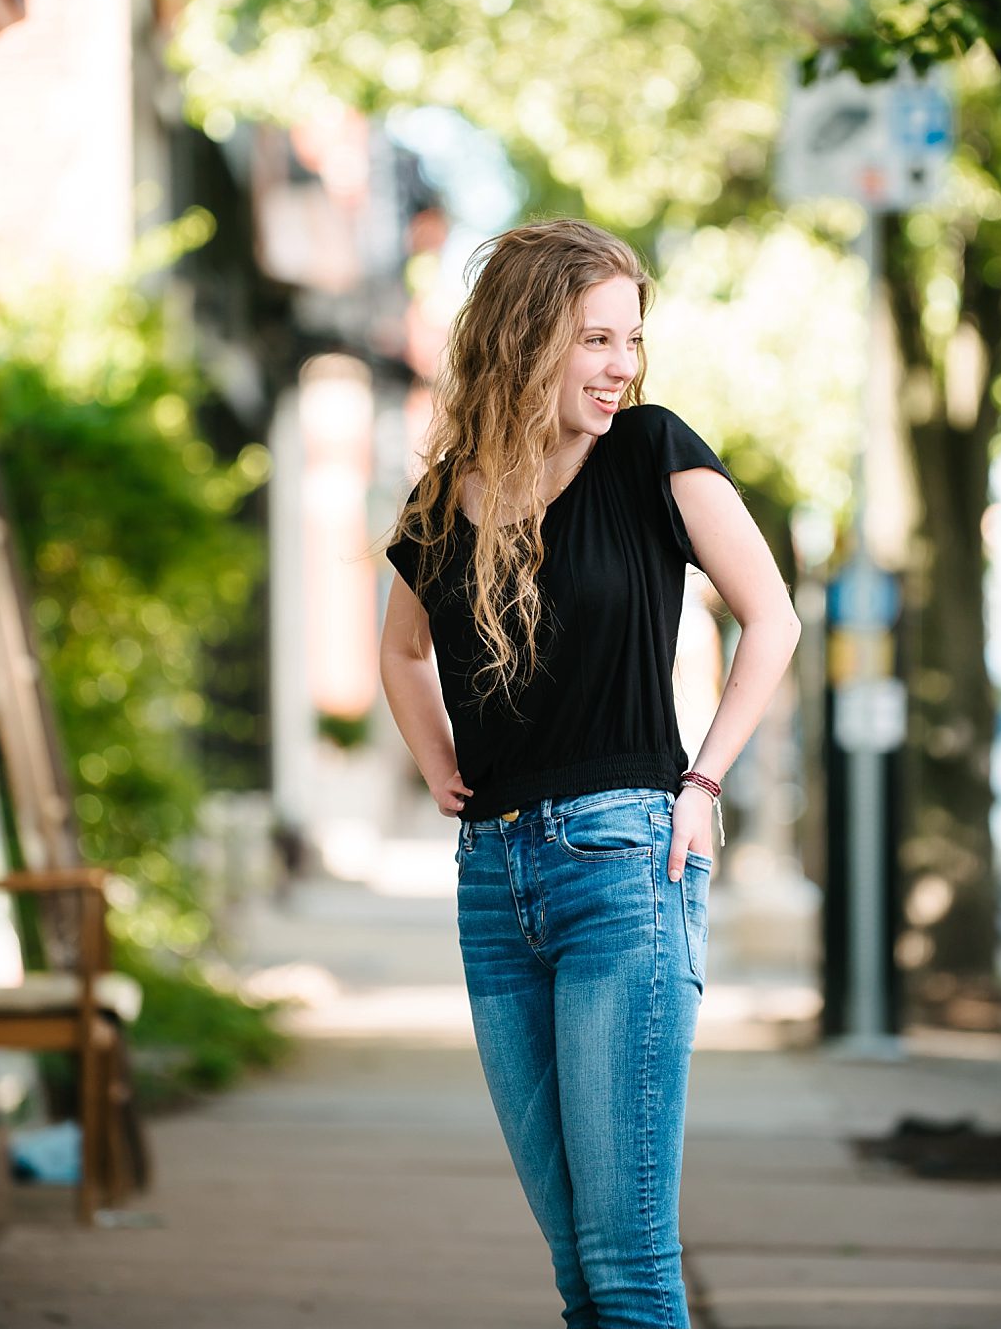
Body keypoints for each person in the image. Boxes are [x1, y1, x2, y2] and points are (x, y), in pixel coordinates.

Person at [378, 218, 801, 1328]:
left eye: (631, 340)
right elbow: (401, 649)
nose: (621, 366)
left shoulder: (651, 451)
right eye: (594, 340)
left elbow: (772, 620)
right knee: (575, 1268)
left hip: (624, 865)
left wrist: (702, 786)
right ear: (524, 339)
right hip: (492, 885)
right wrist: (438, 765)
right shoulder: (442, 502)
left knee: (625, 1264)